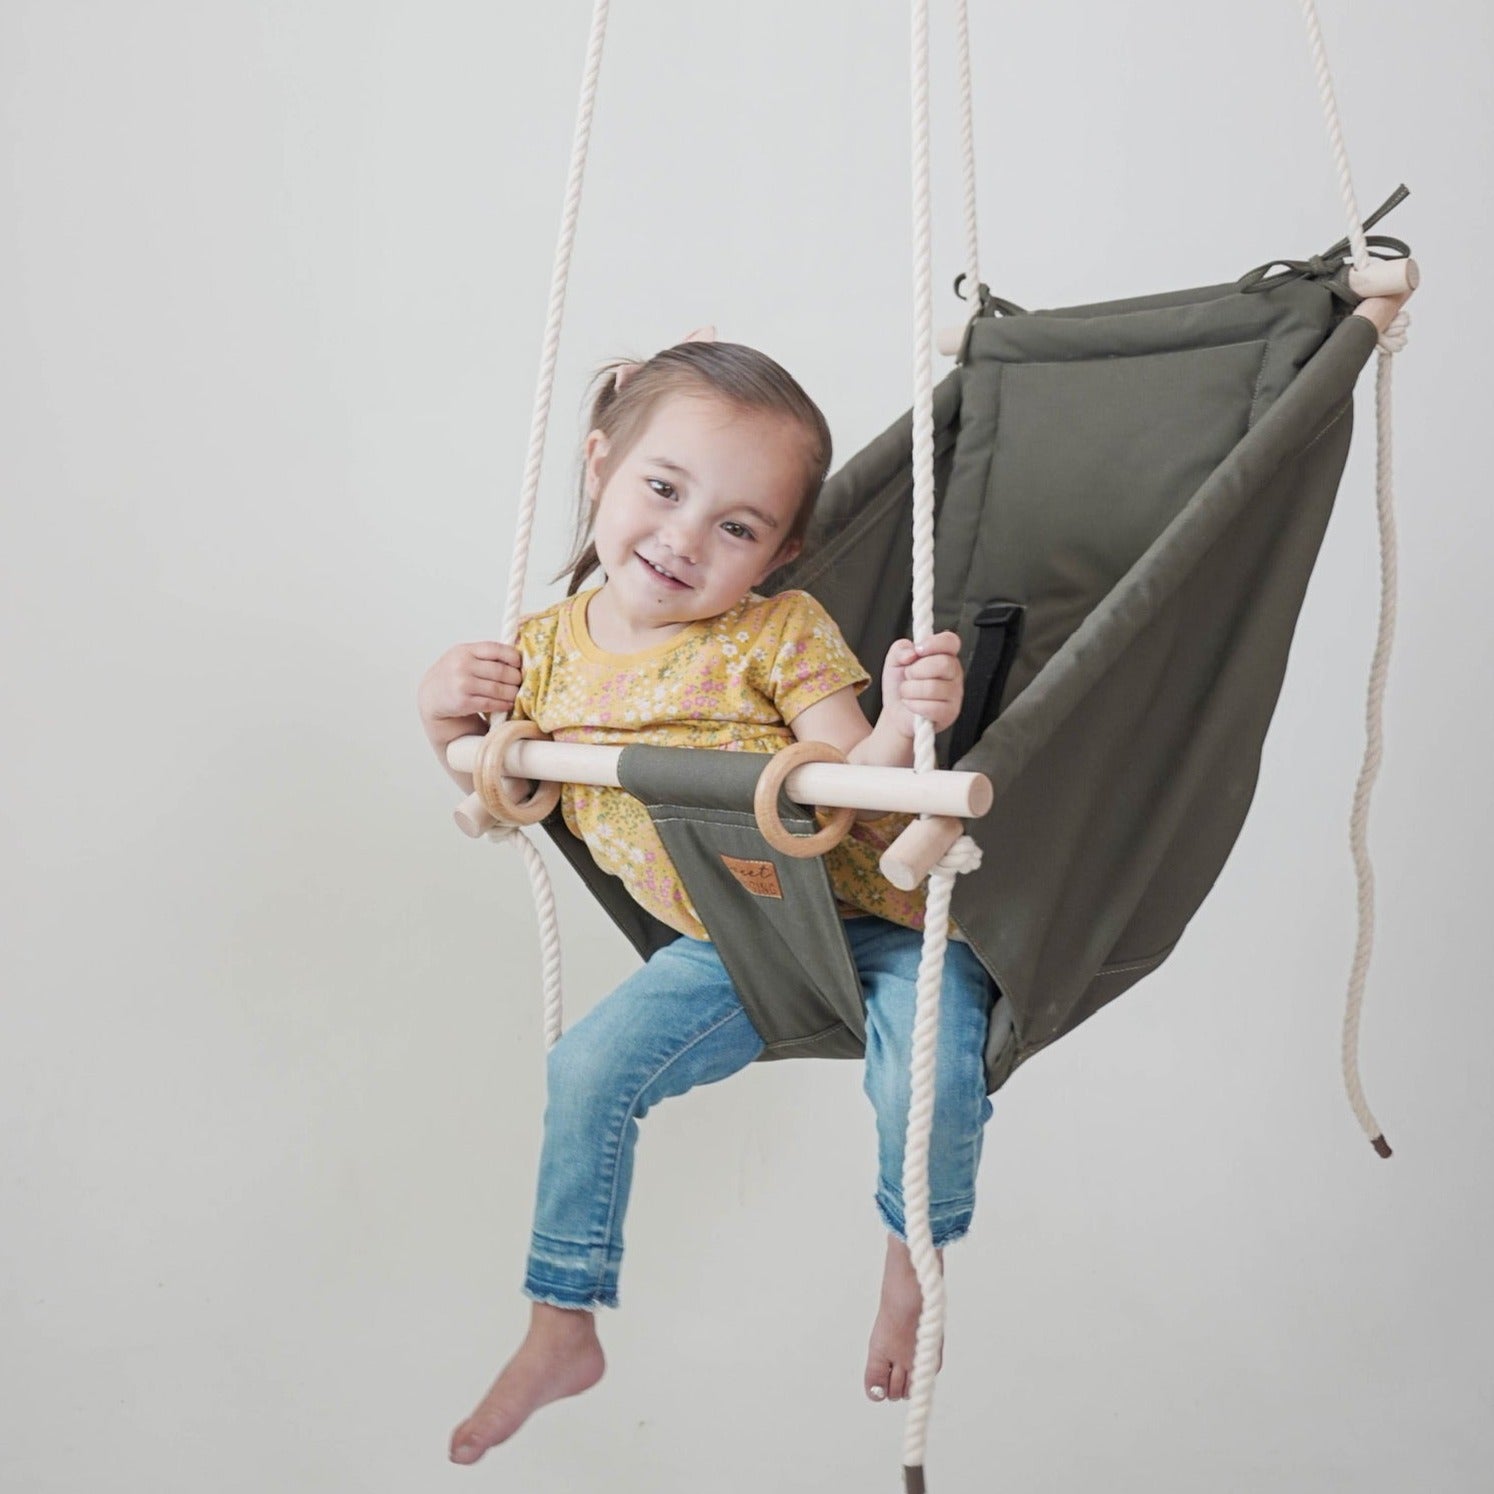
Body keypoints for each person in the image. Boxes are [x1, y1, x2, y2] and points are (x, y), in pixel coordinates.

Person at [417, 333, 996, 1463]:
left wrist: (904, 721)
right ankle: (561, 1320)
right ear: (599, 465)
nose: (685, 538)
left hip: (882, 919)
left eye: (737, 527)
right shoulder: (540, 654)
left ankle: (911, 1266)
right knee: (586, 1069)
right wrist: (441, 707)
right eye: (664, 489)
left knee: (924, 1075)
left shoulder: (778, 635)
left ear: (780, 552)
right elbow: (490, 782)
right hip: (732, 940)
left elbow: (856, 776)